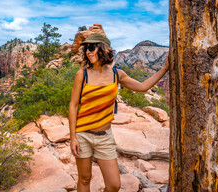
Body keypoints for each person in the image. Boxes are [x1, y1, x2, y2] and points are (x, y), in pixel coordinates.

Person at [68, 33, 169, 192]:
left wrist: (164, 69)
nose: (89, 51)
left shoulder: (116, 74)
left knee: (114, 185)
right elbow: (73, 105)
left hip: (105, 137)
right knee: (85, 178)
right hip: (83, 135)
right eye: (87, 48)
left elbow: (142, 87)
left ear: (102, 48)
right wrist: (73, 137)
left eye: (92, 47)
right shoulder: (83, 74)